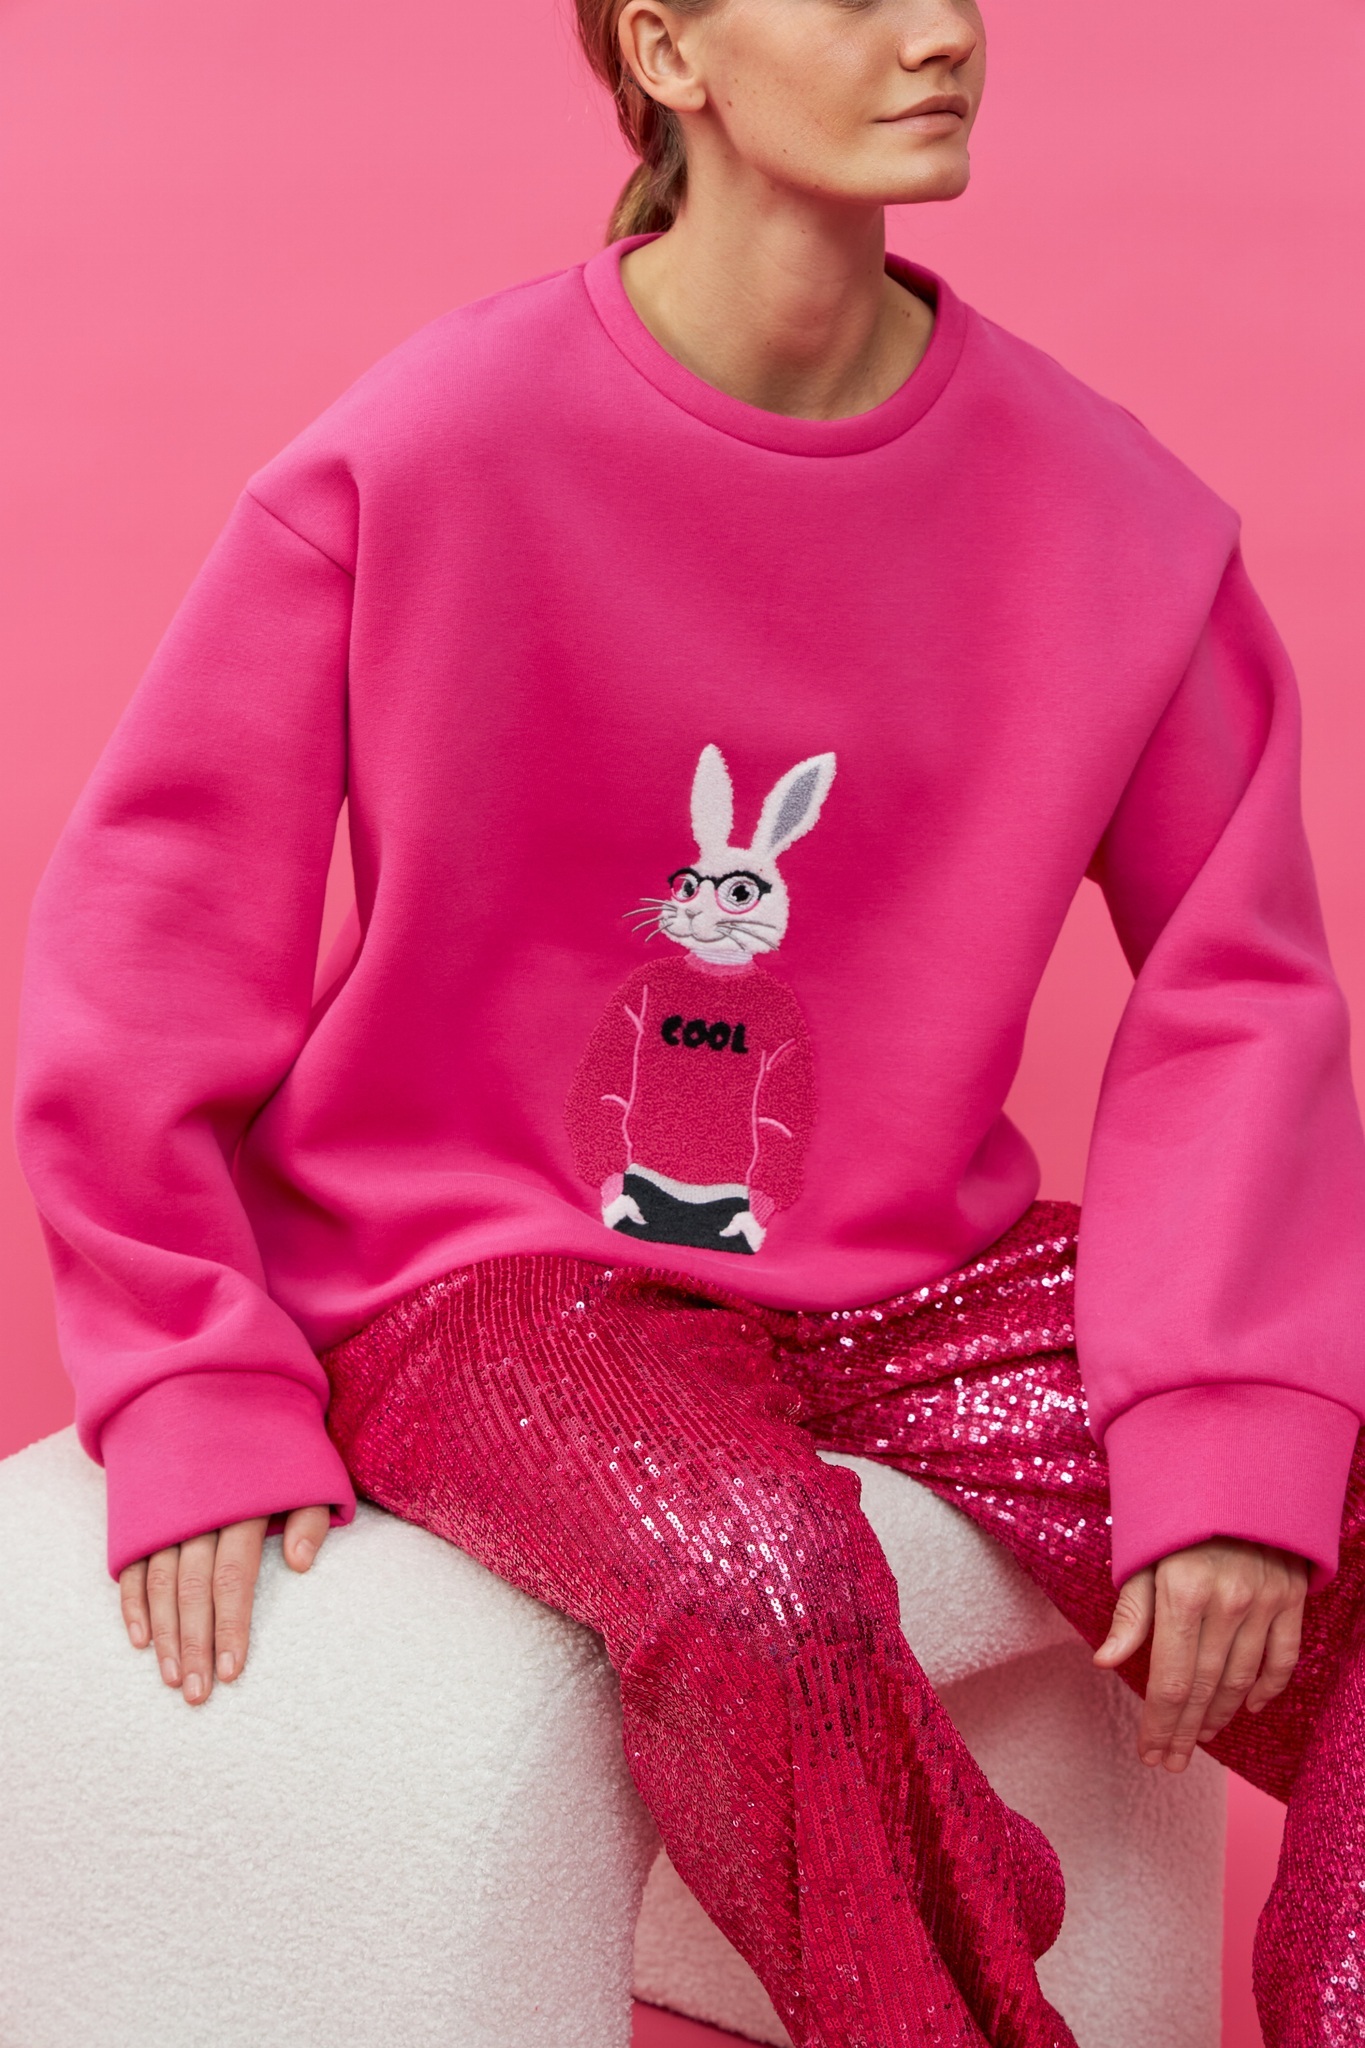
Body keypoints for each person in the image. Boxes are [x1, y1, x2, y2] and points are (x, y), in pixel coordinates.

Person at [15, 0, 1365, 2041]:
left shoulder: (1113, 513)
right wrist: (193, 1376)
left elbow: (1238, 989)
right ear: (665, 49)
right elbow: (157, 930)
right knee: (751, 1581)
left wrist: (1228, 1436)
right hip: (483, 1278)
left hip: (913, 1278)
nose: (938, 34)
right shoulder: (429, 449)